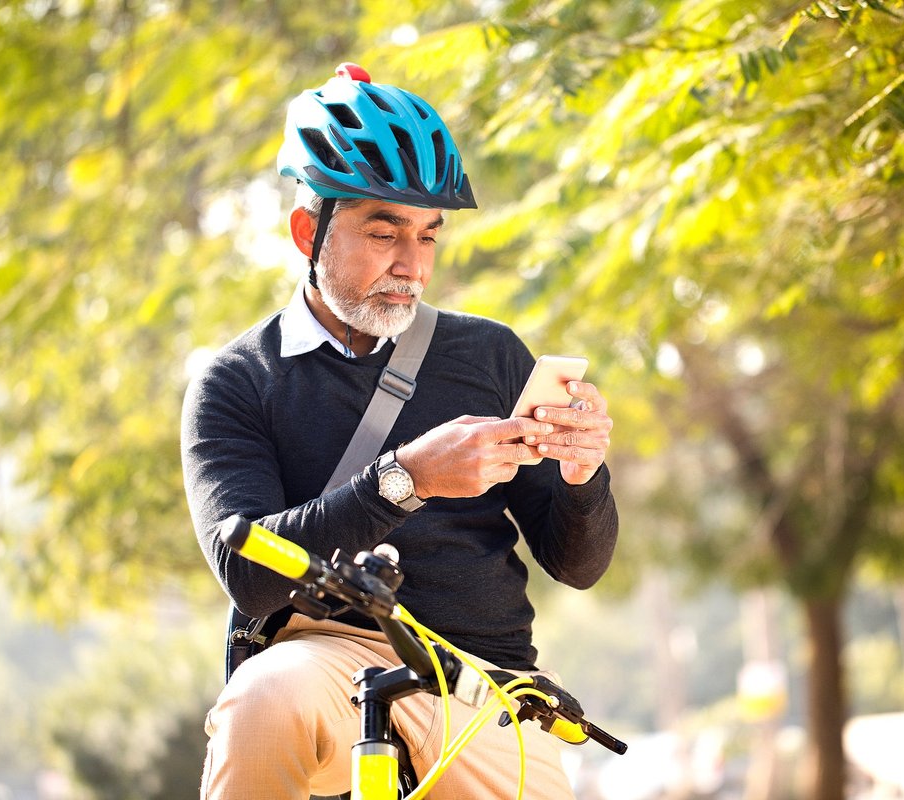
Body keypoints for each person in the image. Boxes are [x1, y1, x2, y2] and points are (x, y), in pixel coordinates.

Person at [180, 62, 619, 800]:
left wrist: (584, 474)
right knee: (263, 699)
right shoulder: (236, 381)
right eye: (384, 233)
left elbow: (577, 565)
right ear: (306, 231)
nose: (412, 266)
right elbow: (250, 576)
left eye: (428, 237)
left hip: (488, 685)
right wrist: (405, 479)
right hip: (326, 659)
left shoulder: (490, 354)